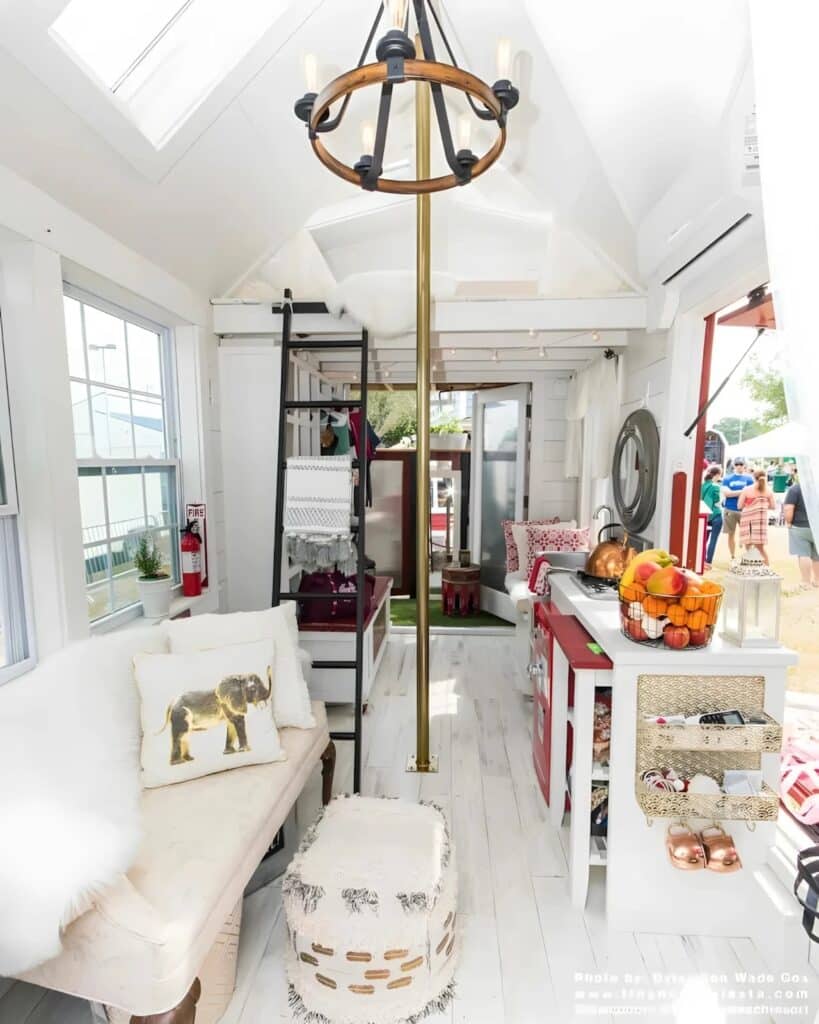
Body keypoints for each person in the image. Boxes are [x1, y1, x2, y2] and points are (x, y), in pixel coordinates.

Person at [783, 480, 819, 589]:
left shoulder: (795, 489)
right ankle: (817, 580)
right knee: (816, 555)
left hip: (800, 526)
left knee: (803, 554)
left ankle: (806, 582)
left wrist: (788, 522)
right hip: (816, 526)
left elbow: (788, 508)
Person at [738, 470, 776, 564]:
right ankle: (766, 567)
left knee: (748, 545)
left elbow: (739, 506)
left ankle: (753, 565)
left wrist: (750, 505)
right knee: (760, 548)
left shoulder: (747, 490)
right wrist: (761, 505)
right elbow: (773, 506)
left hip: (748, 521)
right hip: (760, 522)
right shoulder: (768, 491)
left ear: (753, 478)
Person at [721, 456, 754, 561]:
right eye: (737, 464)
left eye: (741, 464)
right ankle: (732, 556)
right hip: (730, 509)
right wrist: (743, 491)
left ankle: (748, 555)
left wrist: (734, 493)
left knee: (747, 534)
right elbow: (727, 493)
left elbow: (752, 494)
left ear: (744, 465)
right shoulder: (727, 478)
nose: (739, 466)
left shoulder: (749, 478)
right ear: (734, 465)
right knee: (731, 534)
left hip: (745, 510)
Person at [701, 464, 723, 570]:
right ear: (717, 475)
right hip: (715, 514)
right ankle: (708, 561)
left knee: (703, 539)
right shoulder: (715, 486)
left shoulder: (702, 485)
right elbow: (717, 500)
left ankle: (701, 559)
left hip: (704, 514)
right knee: (713, 539)